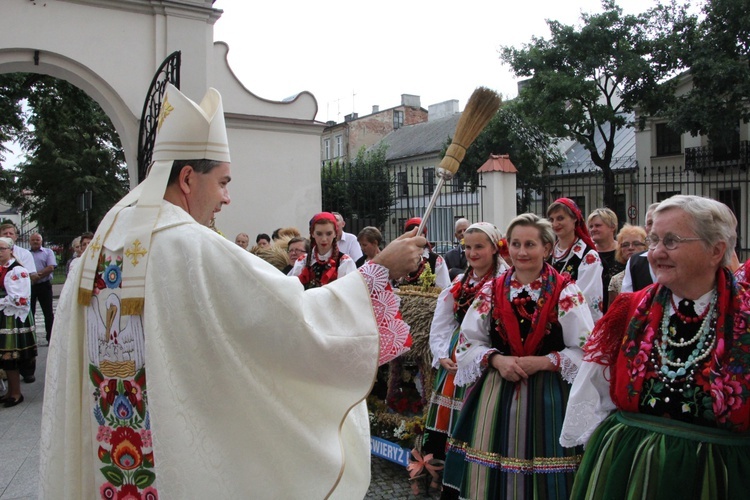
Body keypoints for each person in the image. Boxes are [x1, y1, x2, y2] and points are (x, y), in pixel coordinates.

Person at [41, 84, 427, 499]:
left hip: (110, 460)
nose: (227, 197)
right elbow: (291, 320)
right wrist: (379, 270)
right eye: (223, 182)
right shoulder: (190, 248)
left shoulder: (100, 247)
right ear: (188, 178)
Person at [560, 195, 750, 499]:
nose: (656, 252)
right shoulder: (629, 309)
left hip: (718, 476)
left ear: (716, 250)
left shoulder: (745, 315)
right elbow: (593, 394)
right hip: (627, 471)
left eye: (671, 241)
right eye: (654, 240)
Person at [442, 213, 594, 499]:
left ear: (547, 249)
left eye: (530, 244)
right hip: (497, 391)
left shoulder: (566, 292)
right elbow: (467, 342)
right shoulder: (492, 290)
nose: (522, 252)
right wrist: (497, 360)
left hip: (550, 395)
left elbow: (586, 349)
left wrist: (546, 361)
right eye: (515, 244)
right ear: (507, 247)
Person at [422, 222, 509, 463]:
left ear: (494, 247)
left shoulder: (505, 280)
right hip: (456, 352)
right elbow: (443, 319)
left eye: (479, 246)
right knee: (448, 409)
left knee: (479, 411)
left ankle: (474, 464)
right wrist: (441, 352)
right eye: (468, 247)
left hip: (489, 353)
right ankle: (440, 465)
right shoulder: (461, 280)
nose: (472, 253)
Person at [547, 198, 603, 322]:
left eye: (560, 218)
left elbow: (586, 296)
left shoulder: (588, 256)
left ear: (575, 219)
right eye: (552, 220)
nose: (555, 224)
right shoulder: (548, 253)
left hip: (576, 322)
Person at [0, 237, 36, 407]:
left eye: (2, 249)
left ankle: (16, 393)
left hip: (13, 319)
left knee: (11, 355)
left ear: (10, 250)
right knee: (4, 357)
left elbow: (20, 299)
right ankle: (10, 391)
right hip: (4, 317)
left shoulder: (18, 270)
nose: (0, 252)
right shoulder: (2, 269)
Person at [288, 212, 357, 288]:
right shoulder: (303, 261)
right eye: (319, 234)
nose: (324, 239)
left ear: (335, 234)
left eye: (329, 234)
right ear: (312, 234)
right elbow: (293, 289)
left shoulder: (345, 262)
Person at [400, 217, 451, 290]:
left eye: (420, 233)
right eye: (410, 232)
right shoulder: (399, 258)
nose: (415, 236)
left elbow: (444, 289)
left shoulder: (436, 260)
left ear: (424, 236)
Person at [587, 208, 623, 312]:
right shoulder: (587, 253)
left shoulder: (623, 251)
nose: (593, 229)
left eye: (598, 225)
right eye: (591, 226)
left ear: (612, 227)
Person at [621, 202, 659, 292]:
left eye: (657, 221)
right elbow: (627, 297)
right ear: (646, 228)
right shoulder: (634, 262)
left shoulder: (678, 256)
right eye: (650, 223)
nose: (653, 227)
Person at [606, 224, 647, 304]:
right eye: (625, 245)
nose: (630, 248)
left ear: (645, 247)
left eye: (636, 243)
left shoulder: (654, 273)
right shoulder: (615, 280)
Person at [29, 233, 56, 344]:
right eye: (33, 240)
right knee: (30, 313)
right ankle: (31, 339)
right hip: (30, 287)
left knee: (48, 313)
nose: (35, 242)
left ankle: (50, 338)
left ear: (41, 241)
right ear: (30, 241)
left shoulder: (48, 252)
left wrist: (36, 276)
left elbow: (50, 267)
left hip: (44, 285)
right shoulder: (26, 253)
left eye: (38, 240)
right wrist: (31, 278)